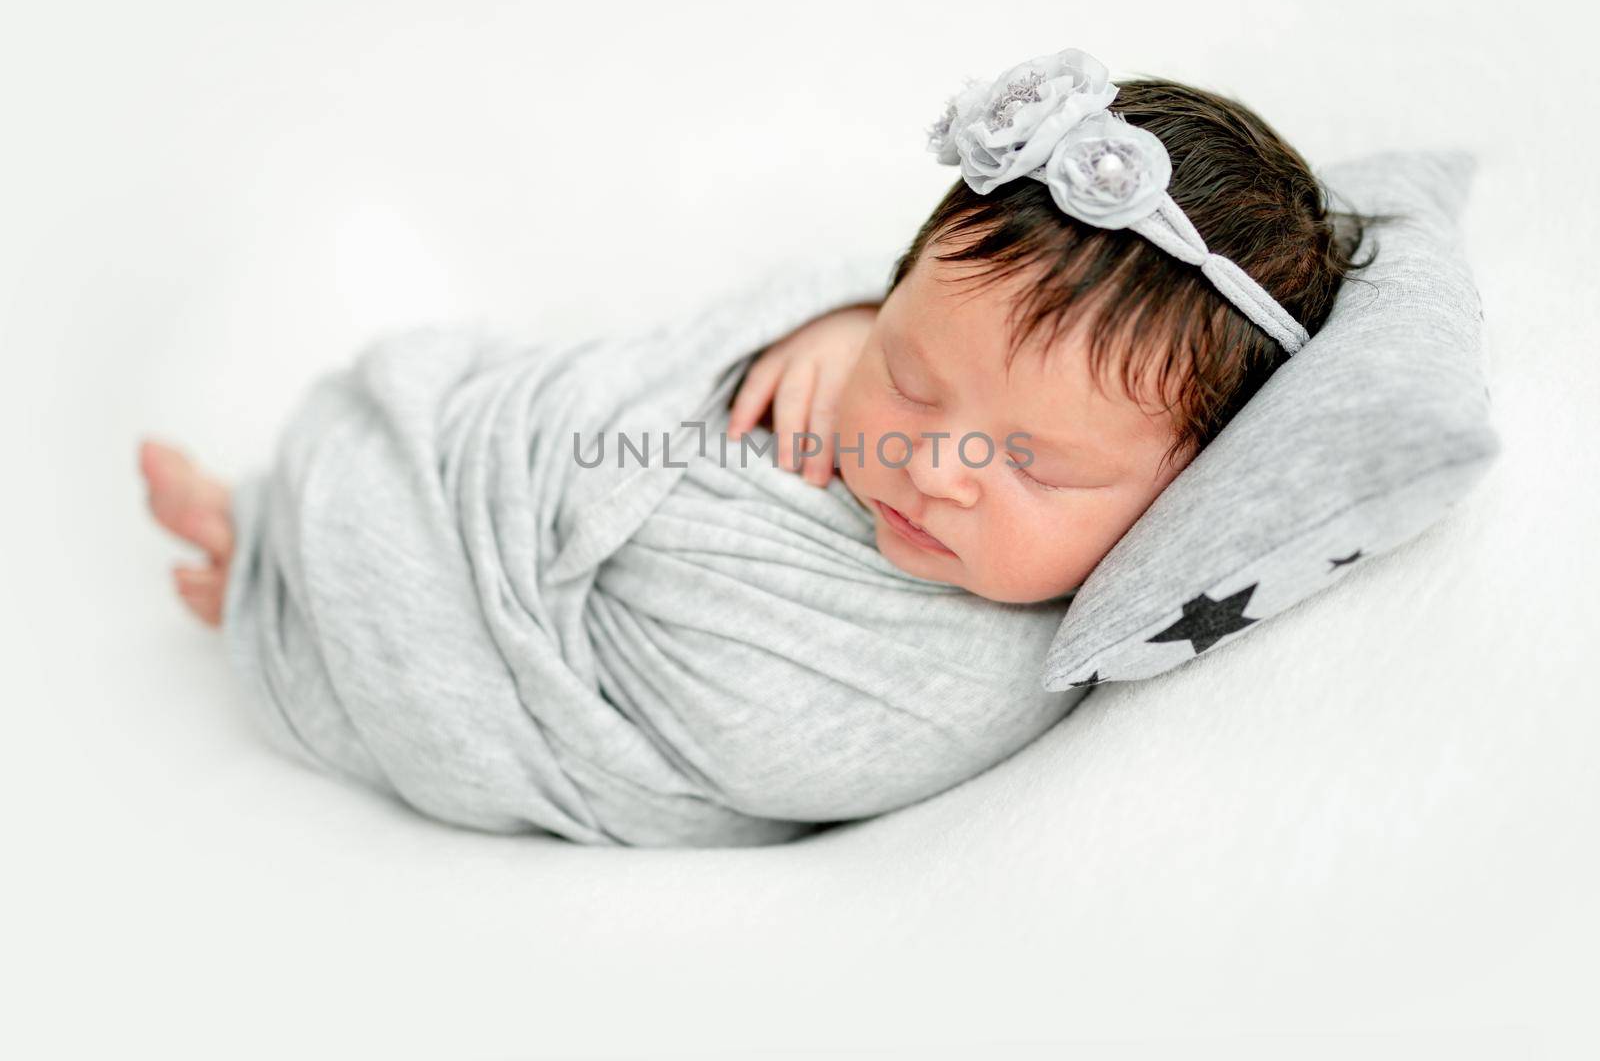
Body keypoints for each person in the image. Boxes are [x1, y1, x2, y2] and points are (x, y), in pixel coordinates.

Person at [138, 49, 1372, 845]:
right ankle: (272, 534)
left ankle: (271, 574)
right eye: (914, 377)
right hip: (515, 459)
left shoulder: (949, 681)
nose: (934, 467)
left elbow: (663, 746)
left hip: (554, 650)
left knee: (383, 600)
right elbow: (740, 331)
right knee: (445, 422)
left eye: (1034, 464)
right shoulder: (870, 331)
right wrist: (832, 328)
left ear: (1191, 491)